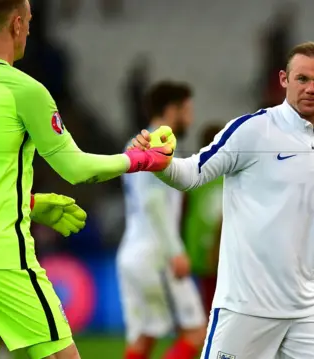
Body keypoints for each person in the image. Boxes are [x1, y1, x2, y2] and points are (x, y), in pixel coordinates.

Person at [0, 1, 173, 358]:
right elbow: (76, 169)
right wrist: (139, 159)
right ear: (15, 24)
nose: (29, 28)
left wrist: (31, 204)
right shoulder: (23, 90)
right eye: (28, 20)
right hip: (1, 255)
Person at [131, 41, 314, 358]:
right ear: (283, 79)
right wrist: (160, 164)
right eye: (302, 78)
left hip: (309, 308)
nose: (311, 88)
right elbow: (193, 173)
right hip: (247, 306)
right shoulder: (252, 130)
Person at [119, 81, 206, 359]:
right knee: (196, 332)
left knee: (144, 338)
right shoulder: (159, 144)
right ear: (172, 110)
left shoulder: (135, 142)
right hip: (156, 254)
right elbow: (153, 202)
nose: (191, 118)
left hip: (132, 251)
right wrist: (175, 251)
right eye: (187, 110)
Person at [182, 124, 224, 315]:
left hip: (205, 250)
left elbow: (182, 212)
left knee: (209, 306)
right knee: (212, 306)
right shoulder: (227, 175)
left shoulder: (194, 175)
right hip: (210, 252)